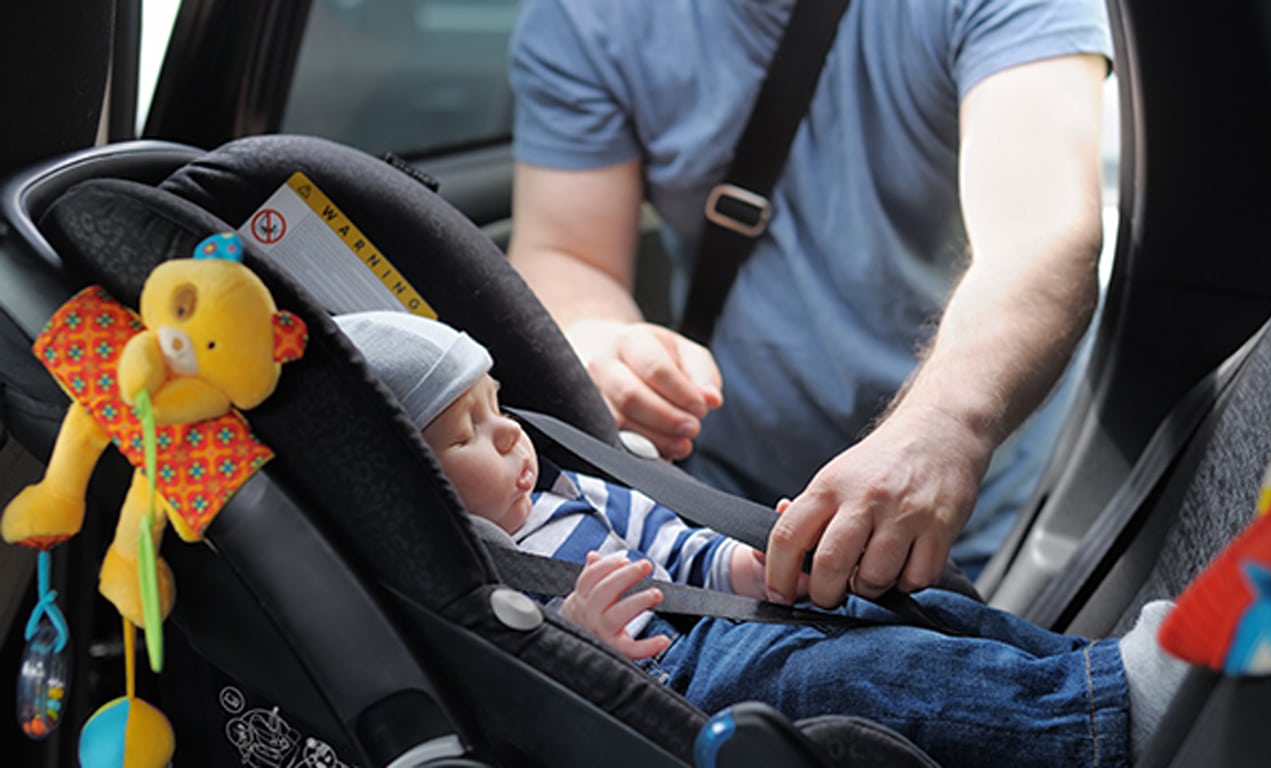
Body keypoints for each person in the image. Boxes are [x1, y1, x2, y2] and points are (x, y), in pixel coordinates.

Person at [335, 311, 1186, 768]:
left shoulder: (572, 491)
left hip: (729, 617)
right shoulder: (479, 577)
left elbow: (674, 546)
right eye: (466, 436)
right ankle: (1107, 720)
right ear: (414, 481)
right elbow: (526, 675)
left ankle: (1086, 670)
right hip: (679, 678)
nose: (510, 437)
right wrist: (586, 636)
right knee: (862, 674)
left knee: (915, 606)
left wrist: (749, 564)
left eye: (499, 409)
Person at [504, 0, 1114, 600]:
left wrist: (947, 424)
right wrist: (598, 338)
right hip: (727, 507)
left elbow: (1042, 235)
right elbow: (566, 252)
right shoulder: (585, 16)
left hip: (984, 501)